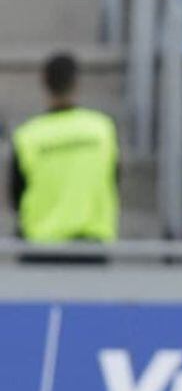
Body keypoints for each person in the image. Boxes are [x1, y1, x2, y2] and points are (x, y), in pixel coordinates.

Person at [9, 53, 119, 258]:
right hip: (91, 246)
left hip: (39, 248)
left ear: (43, 81)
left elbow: (16, 197)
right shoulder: (102, 130)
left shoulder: (27, 135)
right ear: (77, 82)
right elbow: (113, 181)